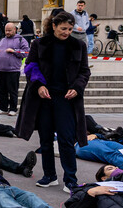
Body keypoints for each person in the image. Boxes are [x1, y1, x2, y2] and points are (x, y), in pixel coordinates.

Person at [16, 11, 90, 192]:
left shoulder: (79, 45)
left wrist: (77, 87)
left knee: (66, 139)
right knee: (45, 139)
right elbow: (30, 66)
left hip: (66, 99)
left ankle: (70, 179)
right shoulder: (39, 43)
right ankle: (49, 175)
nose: (66, 32)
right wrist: (39, 86)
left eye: (70, 29)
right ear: (54, 26)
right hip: (45, 99)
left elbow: (84, 72)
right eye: (63, 28)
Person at [0, 22, 30, 115]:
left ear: (15, 30)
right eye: (6, 30)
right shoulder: (1, 40)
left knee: (12, 90)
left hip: (13, 71)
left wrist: (14, 51)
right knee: (1, 90)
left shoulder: (21, 40)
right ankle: (3, 107)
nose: (7, 32)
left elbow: (26, 52)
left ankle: (13, 108)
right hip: (1, 70)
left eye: (9, 30)